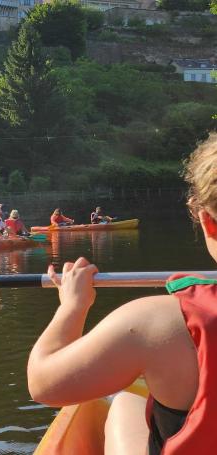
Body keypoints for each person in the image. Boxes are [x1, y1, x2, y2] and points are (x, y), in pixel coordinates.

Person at [27, 134, 217, 454]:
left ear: (207, 222)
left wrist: (72, 306)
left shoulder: (157, 322)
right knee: (128, 402)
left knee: (124, 402)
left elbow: (42, 385)